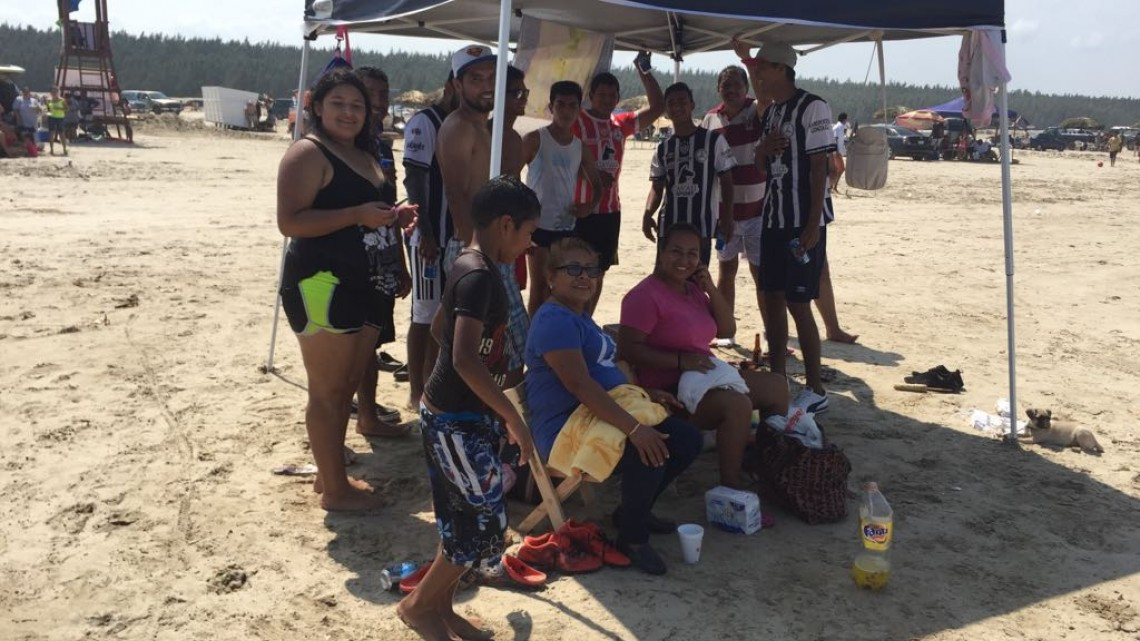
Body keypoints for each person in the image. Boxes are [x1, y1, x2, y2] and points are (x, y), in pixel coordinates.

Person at [397, 176, 539, 641]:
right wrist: (511, 415)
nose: (529, 243)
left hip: (463, 415)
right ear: (504, 224)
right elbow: (461, 356)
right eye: (526, 233)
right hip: (453, 423)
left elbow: (441, 326)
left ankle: (440, 607)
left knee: (463, 522)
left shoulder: (468, 261)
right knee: (483, 524)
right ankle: (420, 607)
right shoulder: (479, 275)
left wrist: (485, 395)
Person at [276, 70, 414, 511]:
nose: (349, 112)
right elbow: (291, 222)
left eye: (357, 106)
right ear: (317, 105)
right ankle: (335, 490)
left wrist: (392, 217)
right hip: (322, 283)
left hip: (366, 279)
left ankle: (329, 475)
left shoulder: (361, 151)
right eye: (338, 103)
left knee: (347, 384)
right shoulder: (307, 153)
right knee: (328, 391)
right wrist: (357, 213)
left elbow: (364, 211)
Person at [526, 237, 702, 574]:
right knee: (648, 447)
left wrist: (645, 391)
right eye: (573, 269)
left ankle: (633, 512)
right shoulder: (555, 321)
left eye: (591, 270)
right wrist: (635, 428)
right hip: (566, 428)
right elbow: (579, 384)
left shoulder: (577, 315)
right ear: (550, 277)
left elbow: (601, 373)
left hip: (593, 413)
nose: (585, 277)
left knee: (685, 438)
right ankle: (632, 538)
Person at [618, 224, 789, 489]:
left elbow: (727, 329)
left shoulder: (692, 289)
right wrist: (679, 361)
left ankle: (763, 460)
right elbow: (628, 350)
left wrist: (709, 285)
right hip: (669, 390)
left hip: (705, 377)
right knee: (738, 405)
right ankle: (731, 485)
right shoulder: (644, 296)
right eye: (676, 251)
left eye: (692, 254)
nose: (684, 260)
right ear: (661, 252)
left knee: (777, 386)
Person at [748, 40, 833, 413]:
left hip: (802, 221)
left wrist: (812, 225)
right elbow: (762, 165)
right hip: (773, 218)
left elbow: (820, 168)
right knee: (771, 298)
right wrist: (763, 150)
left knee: (800, 302)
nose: (757, 74)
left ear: (781, 68)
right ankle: (778, 377)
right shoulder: (770, 113)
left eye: (762, 67)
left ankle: (815, 388)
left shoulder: (813, 106)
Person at [572, 57, 665, 314]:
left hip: (610, 211)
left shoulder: (619, 124)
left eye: (612, 95)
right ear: (590, 96)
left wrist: (643, 70)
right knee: (574, 271)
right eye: (601, 94)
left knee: (599, 272)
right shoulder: (577, 120)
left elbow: (658, 107)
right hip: (580, 210)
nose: (606, 99)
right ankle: (573, 321)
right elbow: (562, 157)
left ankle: (586, 321)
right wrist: (591, 176)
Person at [354, 65, 413, 437]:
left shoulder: (382, 143)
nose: (378, 101)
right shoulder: (344, 145)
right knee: (354, 344)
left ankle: (368, 414)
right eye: (369, 93)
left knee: (372, 339)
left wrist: (401, 264)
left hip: (383, 255)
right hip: (353, 259)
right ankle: (363, 417)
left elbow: (389, 209)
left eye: (383, 92)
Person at [701, 62, 770, 343]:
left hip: (757, 212)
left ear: (747, 88)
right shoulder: (710, 120)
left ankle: (771, 331)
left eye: (737, 85)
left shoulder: (759, 111)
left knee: (761, 275)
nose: (731, 90)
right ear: (718, 89)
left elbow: (766, 99)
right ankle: (725, 332)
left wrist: (749, 60)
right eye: (725, 85)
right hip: (724, 213)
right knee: (725, 271)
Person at [403, 72, 459, 409]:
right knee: (424, 315)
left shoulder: (465, 122)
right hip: (430, 238)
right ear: (454, 84)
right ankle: (415, 389)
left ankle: (434, 383)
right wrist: (425, 231)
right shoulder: (425, 123)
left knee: (444, 314)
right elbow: (415, 178)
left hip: (454, 238)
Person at [521, 80, 602, 316]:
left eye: (572, 106)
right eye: (561, 105)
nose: (566, 111)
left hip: (567, 228)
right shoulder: (535, 139)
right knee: (539, 290)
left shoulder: (580, 147)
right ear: (551, 107)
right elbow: (511, 179)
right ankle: (533, 345)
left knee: (563, 291)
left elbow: (597, 185)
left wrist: (590, 205)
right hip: (538, 228)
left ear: (579, 109)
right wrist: (524, 219)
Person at [642, 82, 736, 267]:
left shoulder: (713, 141)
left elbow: (727, 182)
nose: (677, 107)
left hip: (700, 228)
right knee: (664, 282)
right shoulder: (663, 148)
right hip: (669, 226)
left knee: (696, 282)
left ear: (692, 105)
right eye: (671, 103)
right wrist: (647, 214)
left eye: (682, 101)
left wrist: (727, 218)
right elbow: (657, 187)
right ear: (666, 109)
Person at [437, 44, 497, 274]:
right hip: (473, 248)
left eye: (492, 78)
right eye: (476, 80)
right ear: (457, 85)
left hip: (486, 246)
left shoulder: (481, 125)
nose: (487, 86)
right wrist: (476, 250)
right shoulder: (460, 126)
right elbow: (455, 194)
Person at [45, 88, 67, 157]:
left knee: (62, 133)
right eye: (52, 92)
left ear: (58, 92)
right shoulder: (48, 100)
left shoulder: (62, 100)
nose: (54, 93)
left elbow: (66, 109)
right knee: (51, 133)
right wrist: (47, 116)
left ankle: (64, 149)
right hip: (51, 117)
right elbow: (48, 109)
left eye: (55, 92)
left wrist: (59, 109)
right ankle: (51, 149)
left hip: (60, 118)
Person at [830, 112, 848, 190]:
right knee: (841, 169)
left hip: (836, 151)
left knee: (836, 169)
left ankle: (832, 186)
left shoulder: (840, 127)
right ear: (844, 119)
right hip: (836, 152)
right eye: (846, 119)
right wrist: (836, 151)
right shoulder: (838, 127)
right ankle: (834, 186)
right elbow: (835, 139)